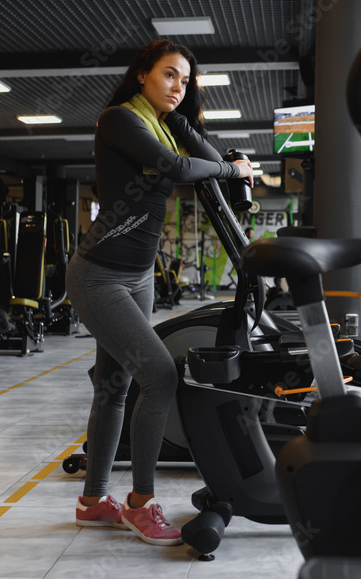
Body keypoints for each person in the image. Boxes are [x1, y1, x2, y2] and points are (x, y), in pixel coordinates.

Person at [66, 39, 252, 546]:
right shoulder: (119, 119)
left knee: (114, 387)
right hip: (98, 275)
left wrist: (189, 123)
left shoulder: (166, 122)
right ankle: (141, 503)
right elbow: (178, 169)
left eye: (186, 80)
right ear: (142, 74)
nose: (178, 86)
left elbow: (203, 155)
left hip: (140, 275)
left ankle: (92, 501)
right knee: (160, 376)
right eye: (169, 75)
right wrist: (231, 170)